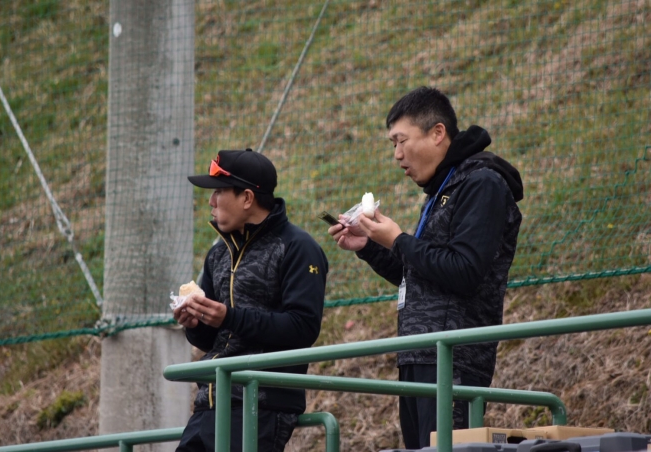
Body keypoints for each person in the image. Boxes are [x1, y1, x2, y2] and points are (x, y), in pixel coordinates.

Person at [328, 86, 523, 448]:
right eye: (393, 144)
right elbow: (420, 275)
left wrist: (398, 239)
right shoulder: (442, 190)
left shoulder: (482, 183)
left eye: (401, 141)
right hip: (418, 354)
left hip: (453, 360)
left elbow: (464, 271)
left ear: (437, 133)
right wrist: (369, 246)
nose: (397, 155)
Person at [175, 148, 328, 452]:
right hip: (209, 402)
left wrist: (228, 317)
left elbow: (303, 327)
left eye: (219, 192)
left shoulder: (298, 247)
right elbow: (210, 339)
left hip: (260, 405)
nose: (211, 201)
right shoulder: (218, 254)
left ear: (247, 198)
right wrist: (195, 324)